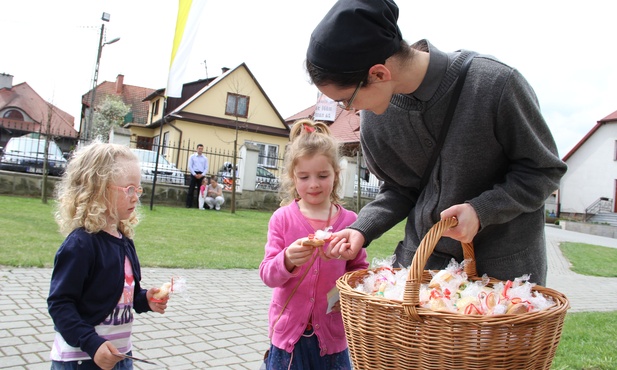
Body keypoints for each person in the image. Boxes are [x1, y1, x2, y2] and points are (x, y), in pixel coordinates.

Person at [306, 0, 567, 286]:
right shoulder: (374, 119)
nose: (350, 110)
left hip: (504, 283)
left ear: (379, 74)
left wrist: (481, 211)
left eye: (347, 99)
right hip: (422, 277)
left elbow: (544, 170)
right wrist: (362, 229)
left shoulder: (496, 84)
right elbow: (398, 188)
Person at [47, 142, 169, 370]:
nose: (136, 197)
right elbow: (60, 304)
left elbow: (123, 294)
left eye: (138, 189)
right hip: (81, 358)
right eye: (128, 189)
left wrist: (145, 300)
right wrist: (91, 343)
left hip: (120, 355)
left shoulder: (124, 241)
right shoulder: (81, 244)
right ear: (98, 190)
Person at [259, 118, 368, 369]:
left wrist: (349, 289)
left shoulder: (350, 221)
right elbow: (267, 275)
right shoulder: (283, 218)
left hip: (332, 336)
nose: (314, 184)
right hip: (288, 337)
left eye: (322, 175)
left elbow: (359, 270)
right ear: (293, 178)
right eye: (304, 176)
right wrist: (286, 259)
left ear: (336, 174)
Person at [186, 144, 209, 208]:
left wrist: (202, 175)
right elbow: (190, 166)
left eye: (201, 149)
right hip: (194, 174)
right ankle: (188, 204)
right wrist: (194, 174)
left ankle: (199, 205)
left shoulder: (205, 158)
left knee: (201, 190)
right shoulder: (192, 157)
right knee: (191, 189)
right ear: (197, 149)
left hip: (201, 174)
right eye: (199, 148)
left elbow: (206, 168)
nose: (200, 150)